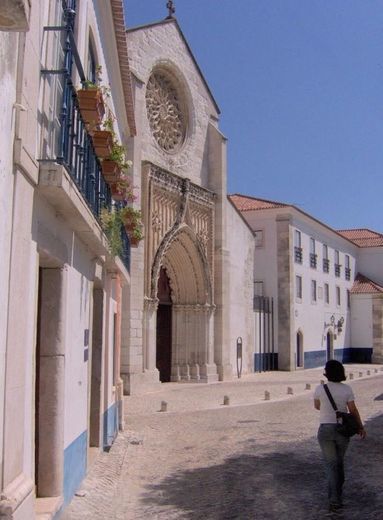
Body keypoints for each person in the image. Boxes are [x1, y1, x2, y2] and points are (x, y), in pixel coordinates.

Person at [314, 360, 366, 513]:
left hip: (325, 430)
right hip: (342, 431)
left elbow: (317, 406)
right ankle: (338, 495)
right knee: (339, 463)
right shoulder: (347, 389)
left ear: (327, 373)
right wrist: (360, 427)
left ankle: (334, 500)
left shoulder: (320, 388)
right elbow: (353, 410)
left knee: (331, 464)